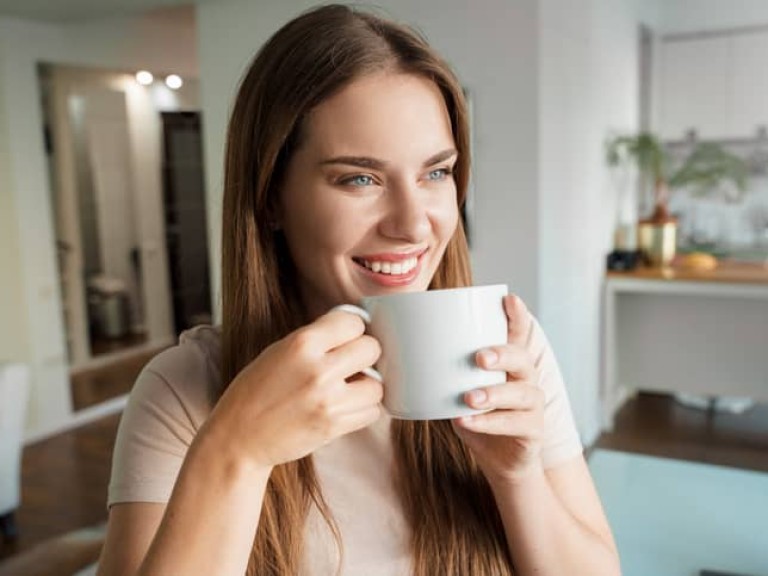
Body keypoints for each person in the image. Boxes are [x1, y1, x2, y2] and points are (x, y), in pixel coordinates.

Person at [96, 4, 621, 576]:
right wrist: (236, 454)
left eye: (436, 172)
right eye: (360, 178)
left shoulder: (509, 351)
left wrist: (517, 478)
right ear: (271, 197)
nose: (415, 224)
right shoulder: (185, 390)